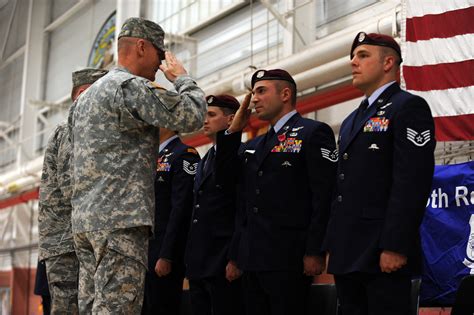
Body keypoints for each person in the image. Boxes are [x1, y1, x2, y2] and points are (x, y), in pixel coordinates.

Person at [68, 17, 207, 314]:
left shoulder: (84, 99)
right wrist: (182, 78)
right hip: (121, 224)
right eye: (160, 53)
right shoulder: (130, 87)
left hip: (85, 224)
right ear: (142, 47)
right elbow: (194, 115)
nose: (160, 64)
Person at [322, 32, 436, 315]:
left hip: (381, 251)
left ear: (388, 63)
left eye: (362, 56)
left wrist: (396, 245)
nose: (353, 63)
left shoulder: (407, 107)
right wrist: (332, 245)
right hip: (349, 252)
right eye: (352, 57)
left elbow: (412, 181)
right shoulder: (351, 120)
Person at [222, 69, 337, 315]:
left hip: (289, 257)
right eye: (253, 93)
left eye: (261, 91)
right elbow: (227, 183)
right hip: (253, 258)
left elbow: (323, 195)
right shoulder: (254, 144)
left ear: (285, 94)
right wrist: (233, 133)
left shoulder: (312, 132)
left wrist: (315, 250)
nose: (254, 99)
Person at [38, 68, 108, 315]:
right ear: (82, 93)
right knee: (69, 307)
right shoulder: (72, 129)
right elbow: (73, 187)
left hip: (73, 237)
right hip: (67, 241)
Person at [184, 94, 244, 315]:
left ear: (230, 120)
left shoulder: (240, 155)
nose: (205, 120)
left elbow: (241, 209)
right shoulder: (205, 159)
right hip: (200, 260)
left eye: (211, 114)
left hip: (223, 259)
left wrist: (235, 257)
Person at [142, 128, 200, 315]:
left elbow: (181, 209)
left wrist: (167, 255)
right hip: (144, 251)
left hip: (163, 252)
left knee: (162, 307)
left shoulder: (184, 154)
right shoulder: (149, 155)